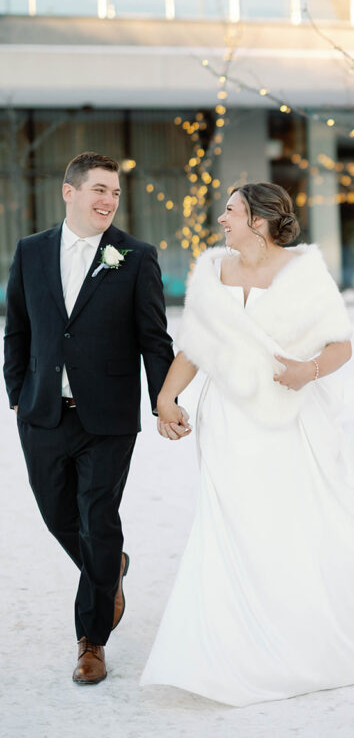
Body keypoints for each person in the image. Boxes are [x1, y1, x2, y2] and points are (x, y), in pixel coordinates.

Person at [141, 182, 354, 706]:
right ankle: (233, 654)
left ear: (259, 221)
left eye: (230, 211)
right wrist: (165, 398)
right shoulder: (213, 274)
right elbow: (194, 347)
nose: (222, 220)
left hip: (294, 422)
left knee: (299, 526)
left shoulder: (303, 272)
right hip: (229, 422)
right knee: (234, 529)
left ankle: (311, 643)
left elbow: (341, 345)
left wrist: (308, 370)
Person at [3, 151, 178, 686]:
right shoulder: (31, 252)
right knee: (59, 516)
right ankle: (111, 567)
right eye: (99, 189)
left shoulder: (136, 256)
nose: (108, 201)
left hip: (107, 418)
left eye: (115, 193)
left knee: (96, 517)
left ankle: (91, 641)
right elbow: (18, 328)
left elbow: (154, 337)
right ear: (69, 191)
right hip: (42, 414)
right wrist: (17, 392)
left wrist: (163, 399)